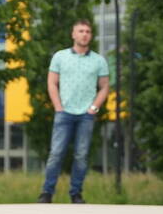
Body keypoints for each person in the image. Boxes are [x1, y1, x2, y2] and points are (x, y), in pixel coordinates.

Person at [36, 19, 110, 204]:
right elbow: (52, 83)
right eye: (81, 31)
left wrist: (94, 108)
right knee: (56, 153)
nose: (84, 34)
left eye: (87, 31)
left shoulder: (99, 60)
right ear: (73, 34)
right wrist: (58, 106)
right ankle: (47, 192)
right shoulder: (60, 57)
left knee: (81, 155)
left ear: (90, 35)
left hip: (86, 114)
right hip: (64, 112)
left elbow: (104, 87)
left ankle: (76, 193)